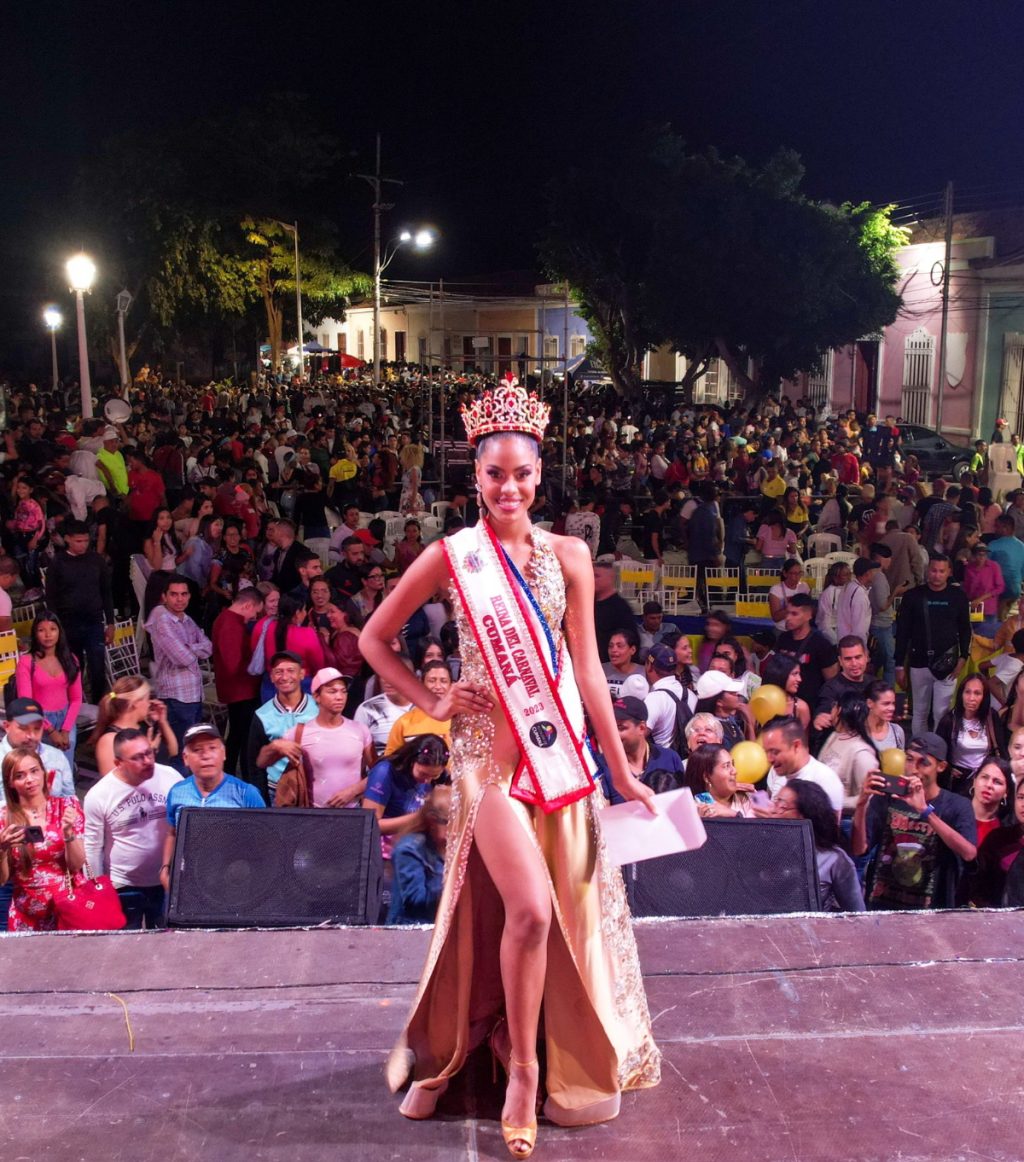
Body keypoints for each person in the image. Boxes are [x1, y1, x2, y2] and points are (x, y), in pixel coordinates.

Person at [359, 383, 659, 1150]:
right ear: (477, 477)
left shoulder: (571, 555)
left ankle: (532, 1049)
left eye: (522, 474)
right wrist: (433, 700)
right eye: (494, 475)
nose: (509, 488)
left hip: (558, 754)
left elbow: (587, 670)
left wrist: (621, 770)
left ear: (539, 475)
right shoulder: (451, 557)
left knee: (562, 915)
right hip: (484, 759)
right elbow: (373, 640)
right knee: (527, 909)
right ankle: (523, 1071)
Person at [852, 732, 977, 910]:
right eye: (909, 759)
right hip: (882, 906)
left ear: (941, 766)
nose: (914, 769)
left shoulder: (957, 805)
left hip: (932, 912)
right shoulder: (887, 798)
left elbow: (969, 853)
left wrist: (925, 811)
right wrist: (861, 804)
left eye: (924, 763)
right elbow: (859, 849)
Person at [83, 726, 182, 929]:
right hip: (123, 883)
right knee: (125, 943)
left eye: (149, 753)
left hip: (166, 880)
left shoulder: (171, 777)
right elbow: (92, 847)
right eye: (137, 758)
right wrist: (97, 889)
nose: (147, 761)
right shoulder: (99, 795)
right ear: (118, 763)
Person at [160, 723, 266, 892]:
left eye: (212, 748)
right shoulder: (177, 792)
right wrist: (165, 868)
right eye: (197, 750)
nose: (206, 756)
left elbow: (265, 842)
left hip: (234, 884)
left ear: (224, 754)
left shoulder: (246, 793)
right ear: (185, 758)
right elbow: (172, 832)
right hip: (188, 882)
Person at [0, 746, 85, 931]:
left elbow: (76, 865)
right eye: (20, 775)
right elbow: (2, 880)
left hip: (68, 912)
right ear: (10, 782)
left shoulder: (67, 807)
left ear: (43, 773)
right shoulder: (3, 818)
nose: (30, 779)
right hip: (26, 918)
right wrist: (2, 849)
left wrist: (69, 833)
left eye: (34, 771)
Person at [894, 554, 973, 736]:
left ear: (949, 572)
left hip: (948, 663)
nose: (937, 575)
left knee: (941, 713)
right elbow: (902, 633)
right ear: (927, 571)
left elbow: (965, 629)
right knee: (920, 711)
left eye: (941, 571)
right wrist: (899, 665)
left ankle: (939, 748)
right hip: (919, 662)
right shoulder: (913, 596)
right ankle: (918, 747)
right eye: (933, 571)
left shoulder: (958, 596)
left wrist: (963, 657)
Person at [145, 574, 213, 771]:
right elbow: (183, 658)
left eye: (184, 594)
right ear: (164, 596)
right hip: (176, 696)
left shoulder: (185, 619)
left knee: (191, 751)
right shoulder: (162, 620)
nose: (180, 599)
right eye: (174, 594)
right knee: (179, 756)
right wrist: (194, 648)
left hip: (193, 694)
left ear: (189, 596)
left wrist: (188, 646)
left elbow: (209, 647)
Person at [44, 519, 115, 703]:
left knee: (98, 665)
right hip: (68, 624)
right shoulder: (58, 563)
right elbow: (51, 597)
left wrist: (110, 622)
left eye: (86, 541)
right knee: (74, 667)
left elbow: (106, 592)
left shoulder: (96, 560)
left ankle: (99, 703)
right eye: (78, 541)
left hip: (94, 621)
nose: (83, 545)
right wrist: (54, 626)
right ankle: (77, 703)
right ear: (67, 539)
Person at [283, 668, 375, 808]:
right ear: (316, 696)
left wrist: (354, 790)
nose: (339, 697)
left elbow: (378, 773)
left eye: (343, 691)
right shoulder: (297, 733)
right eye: (332, 691)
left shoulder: (360, 730)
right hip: (312, 813)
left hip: (353, 812)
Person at [773, 779, 864, 911]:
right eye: (775, 802)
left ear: (804, 815)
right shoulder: (763, 848)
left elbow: (857, 913)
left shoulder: (834, 859)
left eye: (782, 806)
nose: (773, 810)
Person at [246, 651, 318, 804]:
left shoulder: (318, 708)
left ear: (302, 674)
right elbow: (254, 764)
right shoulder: (262, 715)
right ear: (272, 677)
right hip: (277, 792)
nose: (285, 677)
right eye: (279, 672)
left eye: (291, 670)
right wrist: (263, 802)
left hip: (315, 789)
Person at [211, 587, 264, 777]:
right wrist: (256, 664)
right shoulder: (231, 624)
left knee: (237, 735)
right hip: (240, 690)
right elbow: (232, 663)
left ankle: (231, 772)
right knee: (242, 737)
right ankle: (240, 775)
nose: (253, 617)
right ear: (248, 605)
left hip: (237, 689)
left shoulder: (226, 619)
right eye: (255, 612)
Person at [15, 611, 83, 761]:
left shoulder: (71, 659)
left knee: (66, 769)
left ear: (59, 632)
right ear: (35, 633)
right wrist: (51, 730)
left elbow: (76, 699)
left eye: (53, 629)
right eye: (41, 630)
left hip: (66, 720)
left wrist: (66, 730)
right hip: (38, 722)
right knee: (44, 769)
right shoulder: (26, 662)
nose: (48, 635)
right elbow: (26, 704)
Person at [89, 676, 179, 778]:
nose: (149, 703)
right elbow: (113, 782)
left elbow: (173, 751)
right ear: (136, 703)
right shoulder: (110, 740)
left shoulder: (145, 725)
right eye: (147, 699)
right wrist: (149, 754)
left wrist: (163, 721)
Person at [387, 785, 451, 924]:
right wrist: (454, 889)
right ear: (432, 820)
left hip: (440, 925)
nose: (457, 829)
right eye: (450, 823)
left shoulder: (453, 847)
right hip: (411, 929)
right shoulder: (409, 849)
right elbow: (416, 902)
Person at [934, 675, 1007, 795]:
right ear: (961, 694)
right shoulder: (949, 720)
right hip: (958, 780)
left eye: (977, 693)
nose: (971, 698)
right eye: (967, 692)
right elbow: (937, 753)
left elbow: (1001, 749)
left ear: (984, 697)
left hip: (985, 777)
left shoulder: (991, 717)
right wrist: (948, 769)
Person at [762, 715, 844, 816]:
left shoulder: (826, 780)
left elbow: (830, 825)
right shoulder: (776, 770)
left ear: (796, 746)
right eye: (766, 752)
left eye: (775, 752)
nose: (769, 759)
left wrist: (773, 820)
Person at [0, 697, 76, 805]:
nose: (31, 736)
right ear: (7, 726)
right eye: (23, 728)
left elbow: (69, 799)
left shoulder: (56, 756)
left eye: (37, 728)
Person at [606, 695, 684, 795]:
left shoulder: (669, 758)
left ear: (641, 728)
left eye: (621, 728)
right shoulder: (603, 765)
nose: (614, 734)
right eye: (611, 727)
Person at [775, 594, 838, 711]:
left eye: (794, 614)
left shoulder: (821, 644)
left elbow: (832, 682)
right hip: (785, 704)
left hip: (811, 706)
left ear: (808, 615)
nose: (788, 618)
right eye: (787, 613)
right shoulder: (783, 639)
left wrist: (824, 709)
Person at [818, 694, 879, 813]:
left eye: (833, 705)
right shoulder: (834, 736)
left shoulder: (862, 753)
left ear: (839, 710)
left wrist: (832, 801)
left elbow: (869, 798)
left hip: (845, 819)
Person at [385, 660, 453, 753]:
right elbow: (391, 758)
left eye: (443, 681)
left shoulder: (460, 721)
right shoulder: (404, 722)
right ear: (422, 683)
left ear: (451, 685)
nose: (438, 686)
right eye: (432, 681)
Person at [813, 636, 870, 733]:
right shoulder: (831, 689)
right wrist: (820, 717)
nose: (854, 663)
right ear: (840, 661)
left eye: (858, 657)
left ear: (866, 657)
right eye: (848, 659)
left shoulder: (874, 683)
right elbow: (824, 710)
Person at [354, 664, 414, 756]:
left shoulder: (425, 708)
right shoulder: (367, 709)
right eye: (383, 674)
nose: (387, 680)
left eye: (393, 676)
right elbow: (356, 751)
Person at [686, 743, 754, 818]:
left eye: (732, 764)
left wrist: (734, 814)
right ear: (706, 777)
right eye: (727, 766)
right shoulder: (692, 810)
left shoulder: (748, 798)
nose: (735, 771)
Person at [693, 670, 752, 749]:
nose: (737, 695)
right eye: (732, 693)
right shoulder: (710, 731)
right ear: (719, 702)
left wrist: (749, 723)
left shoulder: (730, 720)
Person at [592, 561, 635, 662]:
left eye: (597, 576)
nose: (593, 580)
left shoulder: (621, 608)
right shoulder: (589, 603)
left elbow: (631, 641)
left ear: (610, 578)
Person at [986, 514, 1024, 619]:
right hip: (1015, 590)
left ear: (1005, 528)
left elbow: (986, 568)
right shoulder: (1022, 546)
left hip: (999, 590)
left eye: (997, 526)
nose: (994, 529)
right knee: (1004, 613)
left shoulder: (993, 545)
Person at [759, 653, 810, 729]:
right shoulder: (760, 701)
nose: (799, 679)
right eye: (795, 674)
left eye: (799, 674)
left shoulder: (800, 708)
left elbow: (803, 736)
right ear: (780, 674)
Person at [835, 558, 877, 646]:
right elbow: (859, 629)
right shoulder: (859, 595)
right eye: (872, 571)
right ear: (867, 573)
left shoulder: (848, 586)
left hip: (843, 640)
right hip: (853, 645)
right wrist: (862, 649)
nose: (874, 574)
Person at [602, 627, 647, 698]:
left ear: (632, 650)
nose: (614, 650)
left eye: (619, 646)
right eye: (611, 646)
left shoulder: (644, 673)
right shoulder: (600, 670)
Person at [815, 561, 851, 645]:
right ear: (836, 577)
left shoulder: (849, 589)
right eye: (845, 575)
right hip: (832, 633)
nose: (849, 577)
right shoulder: (828, 593)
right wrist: (837, 643)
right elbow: (825, 625)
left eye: (849, 574)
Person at [864, 680, 905, 753]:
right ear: (870, 703)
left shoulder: (897, 731)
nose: (892, 708)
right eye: (886, 704)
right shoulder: (857, 732)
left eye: (893, 703)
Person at [768, 559, 809, 630]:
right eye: (794, 573)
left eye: (799, 573)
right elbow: (776, 617)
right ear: (785, 573)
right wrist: (793, 606)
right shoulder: (776, 590)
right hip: (783, 629)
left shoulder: (804, 587)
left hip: (800, 629)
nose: (797, 576)